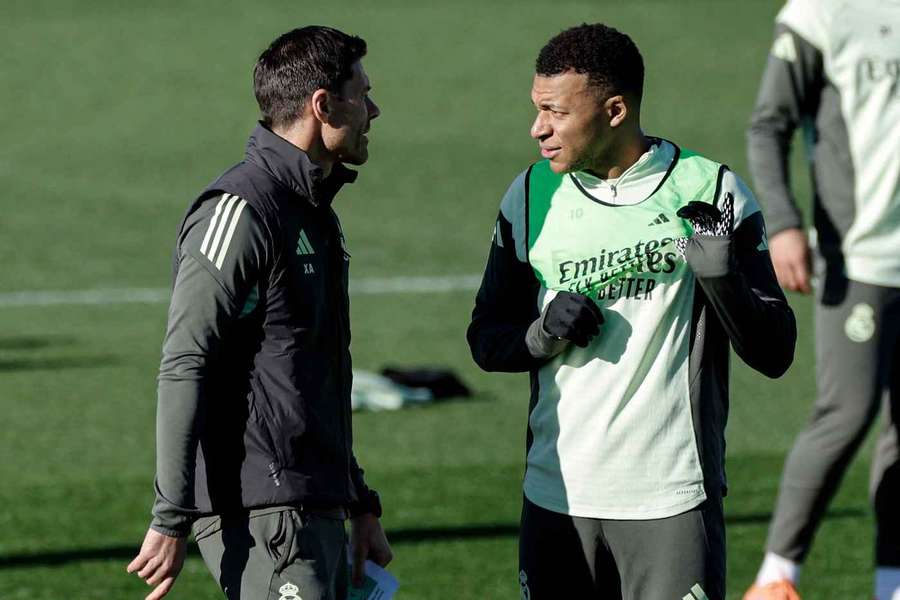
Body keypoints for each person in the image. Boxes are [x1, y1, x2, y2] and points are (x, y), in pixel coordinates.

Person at [467, 23, 796, 600]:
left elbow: (775, 352)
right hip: (556, 497)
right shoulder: (528, 198)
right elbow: (487, 341)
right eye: (536, 109)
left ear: (614, 110)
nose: (538, 129)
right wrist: (543, 335)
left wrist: (721, 279)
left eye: (555, 112)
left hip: (669, 498)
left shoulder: (709, 189)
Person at [126, 26, 392, 600]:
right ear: (323, 105)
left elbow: (310, 376)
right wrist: (171, 513)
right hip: (265, 514)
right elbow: (184, 362)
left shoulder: (313, 211)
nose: (373, 109)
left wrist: (358, 499)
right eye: (361, 93)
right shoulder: (240, 210)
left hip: (314, 501)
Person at [741, 1, 900, 599]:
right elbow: (769, 124)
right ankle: (776, 577)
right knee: (847, 412)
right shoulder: (823, 13)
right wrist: (782, 222)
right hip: (861, 257)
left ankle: (892, 583)